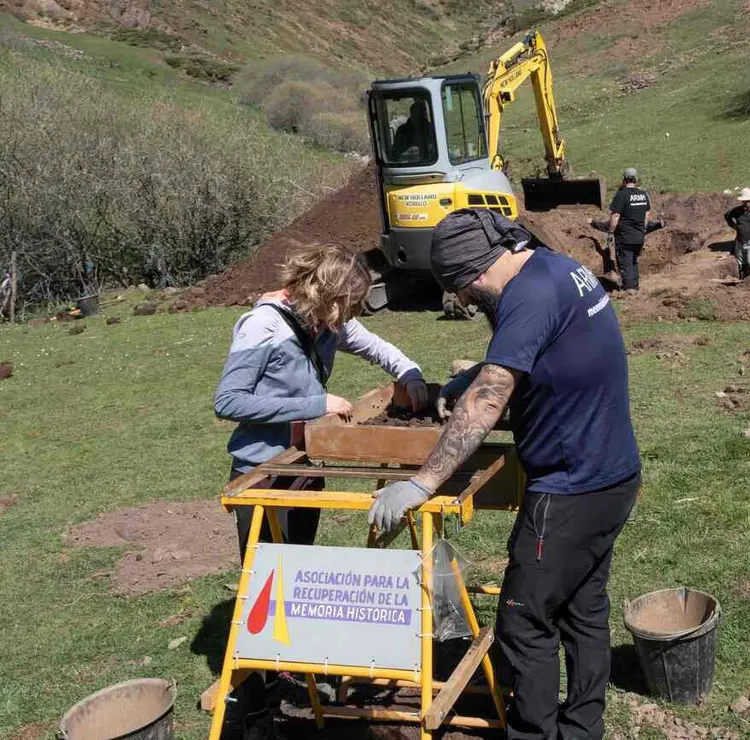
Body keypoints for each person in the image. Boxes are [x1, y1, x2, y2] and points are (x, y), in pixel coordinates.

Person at [370, 208, 641, 740]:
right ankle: (583, 729)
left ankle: (532, 734)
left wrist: (422, 482)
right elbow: (543, 351)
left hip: (569, 489)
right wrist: (473, 373)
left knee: (522, 620)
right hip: (613, 474)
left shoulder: (526, 297)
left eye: (463, 291)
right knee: (583, 609)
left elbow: (491, 399)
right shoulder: (553, 268)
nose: (466, 303)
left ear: (473, 273)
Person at [213, 243, 428, 735]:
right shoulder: (262, 326)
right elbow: (227, 400)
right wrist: (313, 402)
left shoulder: (325, 318)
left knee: (296, 574)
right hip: (262, 474)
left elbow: (374, 344)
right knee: (263, 591)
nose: (345, 319)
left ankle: (291, 668)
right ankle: (256, 702)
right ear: (319, 292)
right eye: (343, 308)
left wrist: (409, 371)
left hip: (305, 465)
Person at [606, 167, 653, 291]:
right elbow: (647, 213)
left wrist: (611, 231)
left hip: (625, 236)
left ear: (624, 180)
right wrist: (643, 227)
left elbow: (615, 215)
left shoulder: (622, 195)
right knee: (634, 262)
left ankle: (630, 290)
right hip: (639, 236)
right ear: (636, 179)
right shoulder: (643, 195)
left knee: (626, 263)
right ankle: (635, 287)